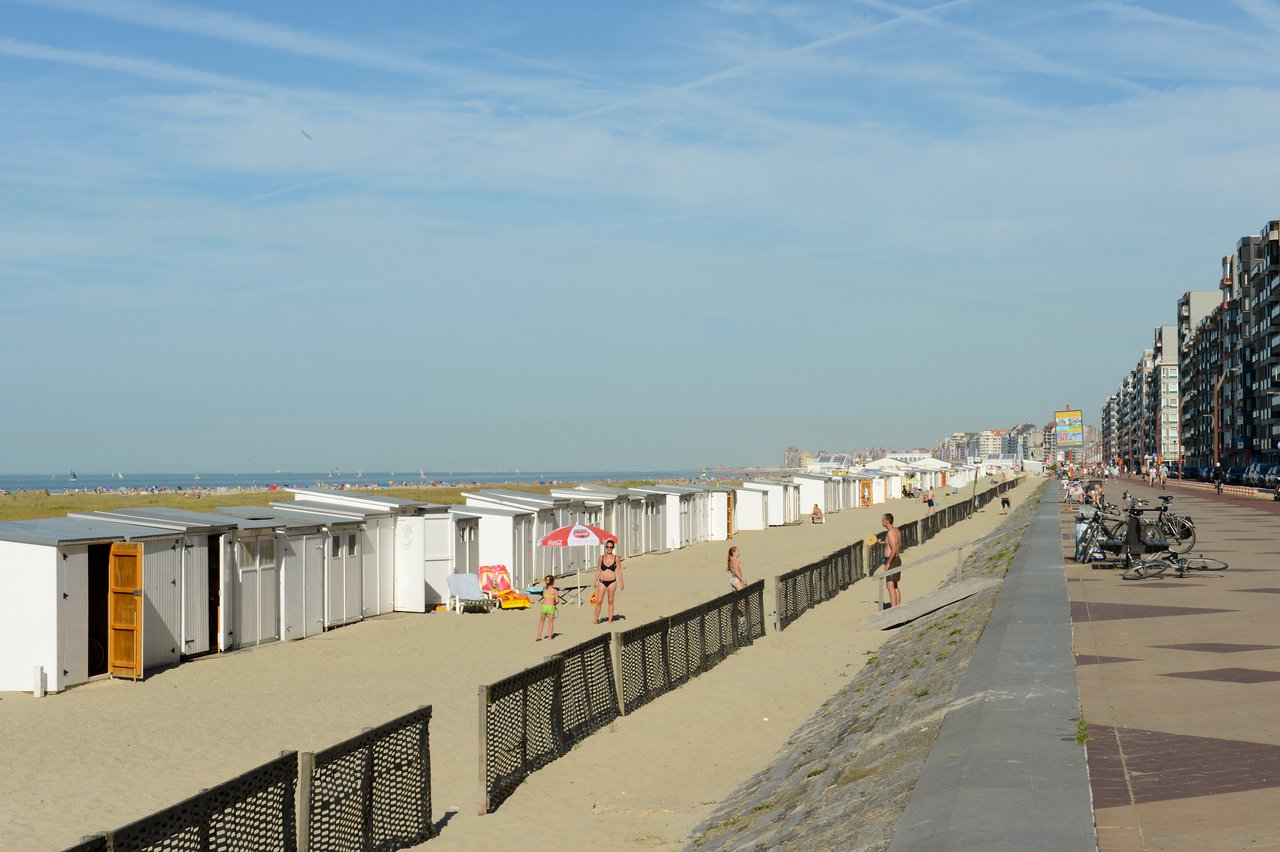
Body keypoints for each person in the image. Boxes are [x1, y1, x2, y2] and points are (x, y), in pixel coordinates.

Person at [592, 539, 624, 624]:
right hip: (602, 581)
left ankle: (610, 620)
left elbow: (619, 570)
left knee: (610, 601)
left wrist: (622, 582)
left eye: (611, 547)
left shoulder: (616, 558)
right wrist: (595, 581)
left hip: (612, 582)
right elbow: (598, 570)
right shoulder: (601, 557)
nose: (609, 548)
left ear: (613, 547)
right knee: (599, 601)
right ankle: (595, 619)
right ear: (606, 547)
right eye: (608, 547)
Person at [881, 513, 902, 609]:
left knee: (890, 585)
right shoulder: (896, 531)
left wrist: (888, 563)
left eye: (883, 520)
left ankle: (893, 608)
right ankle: (897, 606)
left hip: (892, 560)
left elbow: (893, 549)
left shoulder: (890, 533)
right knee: (895, 585)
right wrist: (883, 542)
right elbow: (893, 543)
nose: (881, 521)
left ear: (887, 521)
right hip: (897, 559)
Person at [535, 575, 559, 641]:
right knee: (551, 623)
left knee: (541, 622)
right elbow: (557, 601)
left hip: (544, 606)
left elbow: (544, 598)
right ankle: (549, 637)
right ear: (553, 582)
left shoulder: (544, 590)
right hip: (551, 607)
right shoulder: (555, 591)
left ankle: (539, 636)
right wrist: (554, 604)